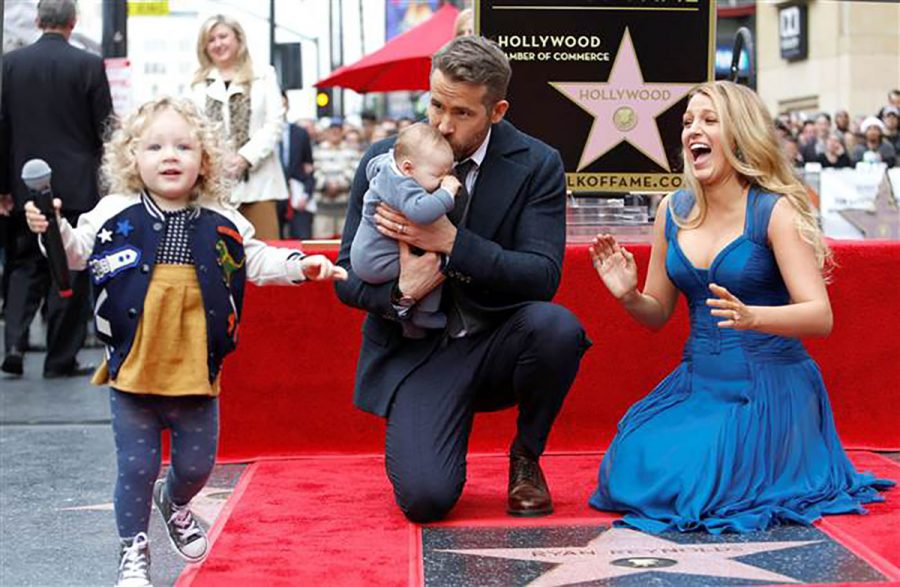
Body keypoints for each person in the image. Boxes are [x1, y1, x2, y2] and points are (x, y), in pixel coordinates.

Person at [24, 97, 346, 586]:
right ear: (132, 159)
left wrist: (301, 266)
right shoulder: (114, 210)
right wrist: (52, 227)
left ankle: (173, 501)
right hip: (134, 368)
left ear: (205, 160)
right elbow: (74, 253)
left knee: (197, 466)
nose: (169, 156)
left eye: (182, 146)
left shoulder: (221, 217)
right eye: (154, 146)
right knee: (136, 467)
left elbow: (256, 259)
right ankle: (133, 547)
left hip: (197, 368)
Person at [588, 80, 893, 534]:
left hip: (769, 387)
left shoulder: (775, 211)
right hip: (699, 386)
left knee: (701, 486)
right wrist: (629, 295)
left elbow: (819, 315)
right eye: (688, 121)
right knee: (632, 466)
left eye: (710, 120)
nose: (694, 129)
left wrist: (755, 317)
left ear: (740, 135)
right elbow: (656, 315)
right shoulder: (672, 210)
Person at [334, 36, 590, 523]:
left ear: (497, 110)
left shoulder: (538, 163)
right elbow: (345, 274)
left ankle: (526, 457)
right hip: (418, 350)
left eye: (462, 113)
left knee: (558, 328)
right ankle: (436, 433)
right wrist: (401, 292)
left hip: (499, 339)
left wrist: (452, 243)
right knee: (426, 500)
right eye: (434, 104)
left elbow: (542, 276)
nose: (442, 125)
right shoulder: (386, 160)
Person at [0, 0, 113, 377]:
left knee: (22, 266)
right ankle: (59, 357)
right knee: (69, 269)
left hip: (22, 183)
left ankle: (14, 344)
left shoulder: (9, 65)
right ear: (72, 22)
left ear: (37, 21)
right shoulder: (88, 65)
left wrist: (3, 187)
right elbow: (105, 130)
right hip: (77, 186)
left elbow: (2, 130)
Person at [350, 123, 460, 339]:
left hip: (366, 254)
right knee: (438, 263)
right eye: (437, 175)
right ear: (408, 168)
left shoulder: (388, 165)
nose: (441, 180)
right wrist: (446, 193)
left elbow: (372, 166)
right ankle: (424, 314)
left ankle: (409, 322)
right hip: (377, 261)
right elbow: (421, 212)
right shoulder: (403, 184)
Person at [190, 14, 287, 241]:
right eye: (211, 39)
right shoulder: (197, 83)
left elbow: (275, 123)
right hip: (213, 185)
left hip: (260, 182)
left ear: (238, 39)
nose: (218, 44)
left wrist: (244, 157)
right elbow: (194, 128)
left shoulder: (263, 75)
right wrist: (218, 159)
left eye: (223, 36)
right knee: (218, 257)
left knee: (266, 250)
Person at [278, 90, 316, 239]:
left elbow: (309, 167)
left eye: (282, 103)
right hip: (272, 195)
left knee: (301, 239)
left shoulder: (300, 133)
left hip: (297, 194)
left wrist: (306, 193)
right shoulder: (259, 134)